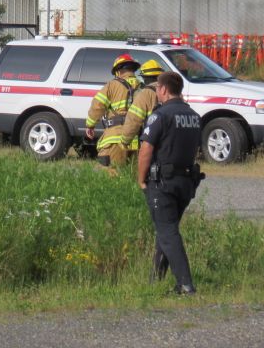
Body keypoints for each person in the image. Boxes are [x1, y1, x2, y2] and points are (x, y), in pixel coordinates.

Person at [137, 71, 204, 294]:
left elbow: (146, 149)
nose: (156, 91)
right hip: (185, 182)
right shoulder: (194, 116)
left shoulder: (160, 116)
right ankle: (155, 280)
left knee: (167, 232)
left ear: (164, 89)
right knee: (166, 230)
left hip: (163, 183)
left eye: (157, 88)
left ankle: (185, 285)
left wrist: (141, 179)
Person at [84, 53, 141, 166]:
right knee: (132, 174)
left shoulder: (112, 85)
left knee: (111, 172)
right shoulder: (143, 87)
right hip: (136, 140)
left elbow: (97, 106)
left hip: (115, 138)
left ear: (118, 72)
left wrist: (90, 125)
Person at [119, 58, 165, 157]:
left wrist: (125, 140)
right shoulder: (172, 92)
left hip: (152, 141)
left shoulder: (145, 93)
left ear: (145, 78)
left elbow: (134, 119)